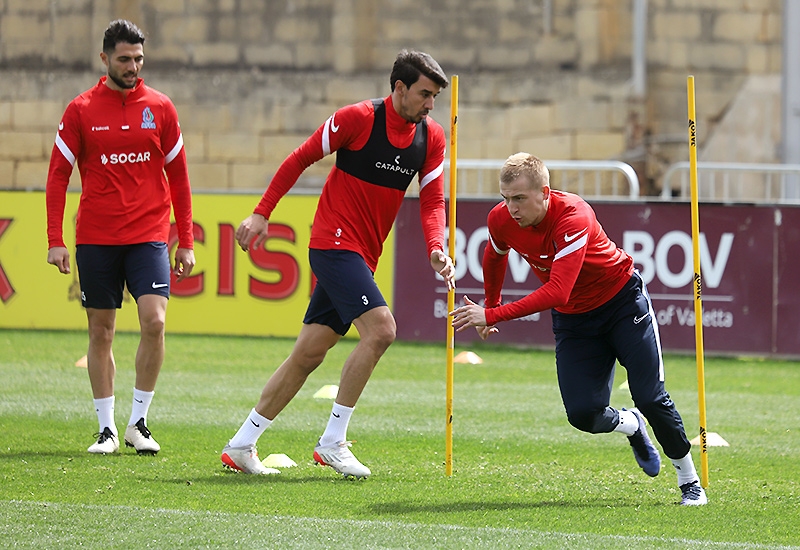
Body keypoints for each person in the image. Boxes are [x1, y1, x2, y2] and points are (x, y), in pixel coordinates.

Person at [221, 49, 456, 478]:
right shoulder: (358, 119)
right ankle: (332, 442)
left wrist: (435, 247)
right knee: (382, 330)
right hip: (333, 243)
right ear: (399, 88)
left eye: (435, 97)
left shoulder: (431, 137)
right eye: (425, 94)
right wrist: (261, 213)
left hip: (363, 253)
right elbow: (300, 158)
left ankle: (241, 444)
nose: (431, 105)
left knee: (308, 353)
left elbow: (433, 201)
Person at [450, 152, 707, 505]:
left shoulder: (573, 215)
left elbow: (558, 290)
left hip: (622, 304)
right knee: (582, 414)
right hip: (575, 320)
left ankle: (689, 480)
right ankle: (631, 424)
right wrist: (491, 303)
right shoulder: (501, 218)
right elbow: (495, 254)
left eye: (520, 198)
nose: (511, 208)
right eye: (505, 198)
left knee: (650, 396)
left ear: (545, 192)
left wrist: (494, 314)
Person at [45, 19, 195, 456]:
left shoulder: (161, 108)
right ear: (105, 58)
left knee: (155, 321)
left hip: (148, 235)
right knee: (101, 331)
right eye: (125, 59)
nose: (133, 66)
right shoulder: (81, 110)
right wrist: (55, 238)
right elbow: (58, 176)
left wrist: (186, 240)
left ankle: (138, 423)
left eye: (139, 59)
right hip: (97, 236)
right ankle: (107, 429)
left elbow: (180, 178)